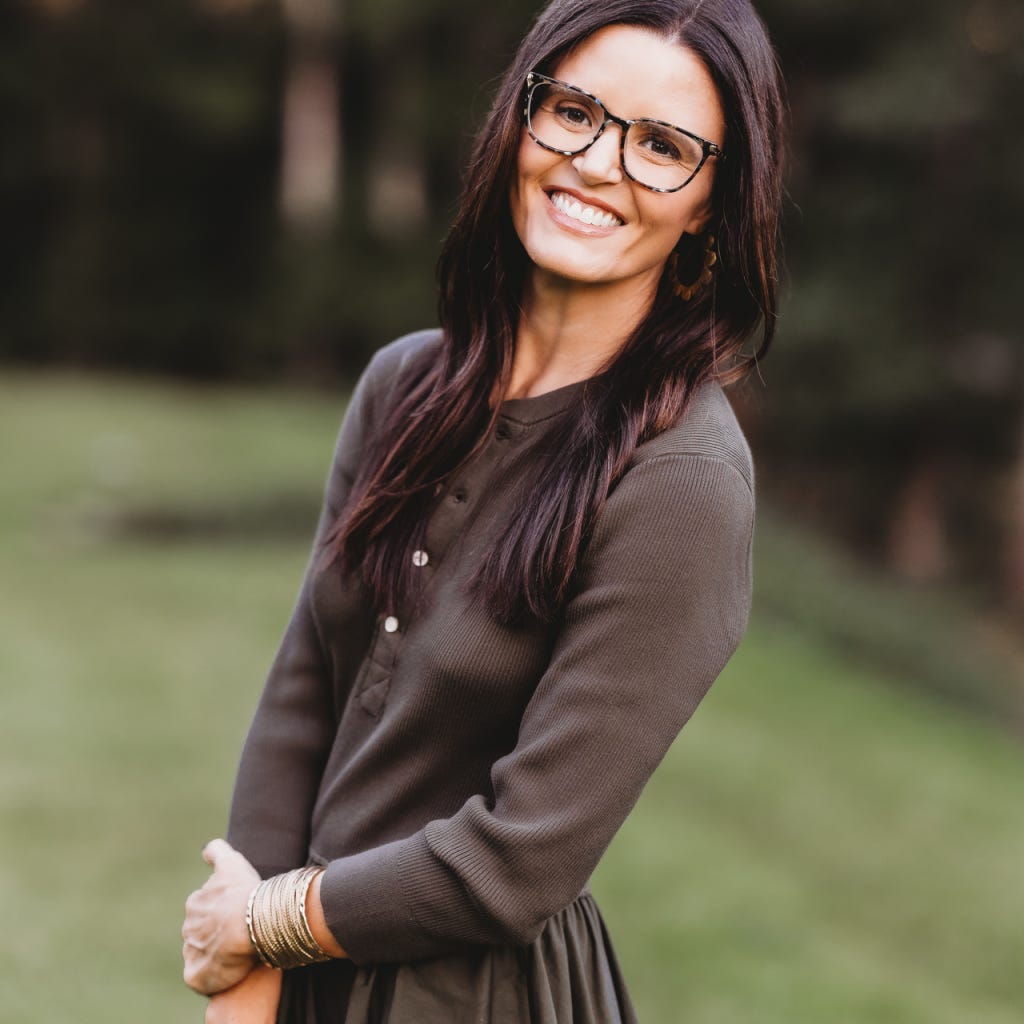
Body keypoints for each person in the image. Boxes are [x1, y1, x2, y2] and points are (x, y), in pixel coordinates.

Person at [182, 0, 785, 1020]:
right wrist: (248, 976)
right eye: (575, 112)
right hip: (296, 969)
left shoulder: (683, 481)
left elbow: (520, 859)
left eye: (662, 147)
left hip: (473, 994)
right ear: (520, 117)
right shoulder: (403, 384)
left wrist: (265, 922)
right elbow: (306, 686)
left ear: (708, 207)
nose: (598, 164)